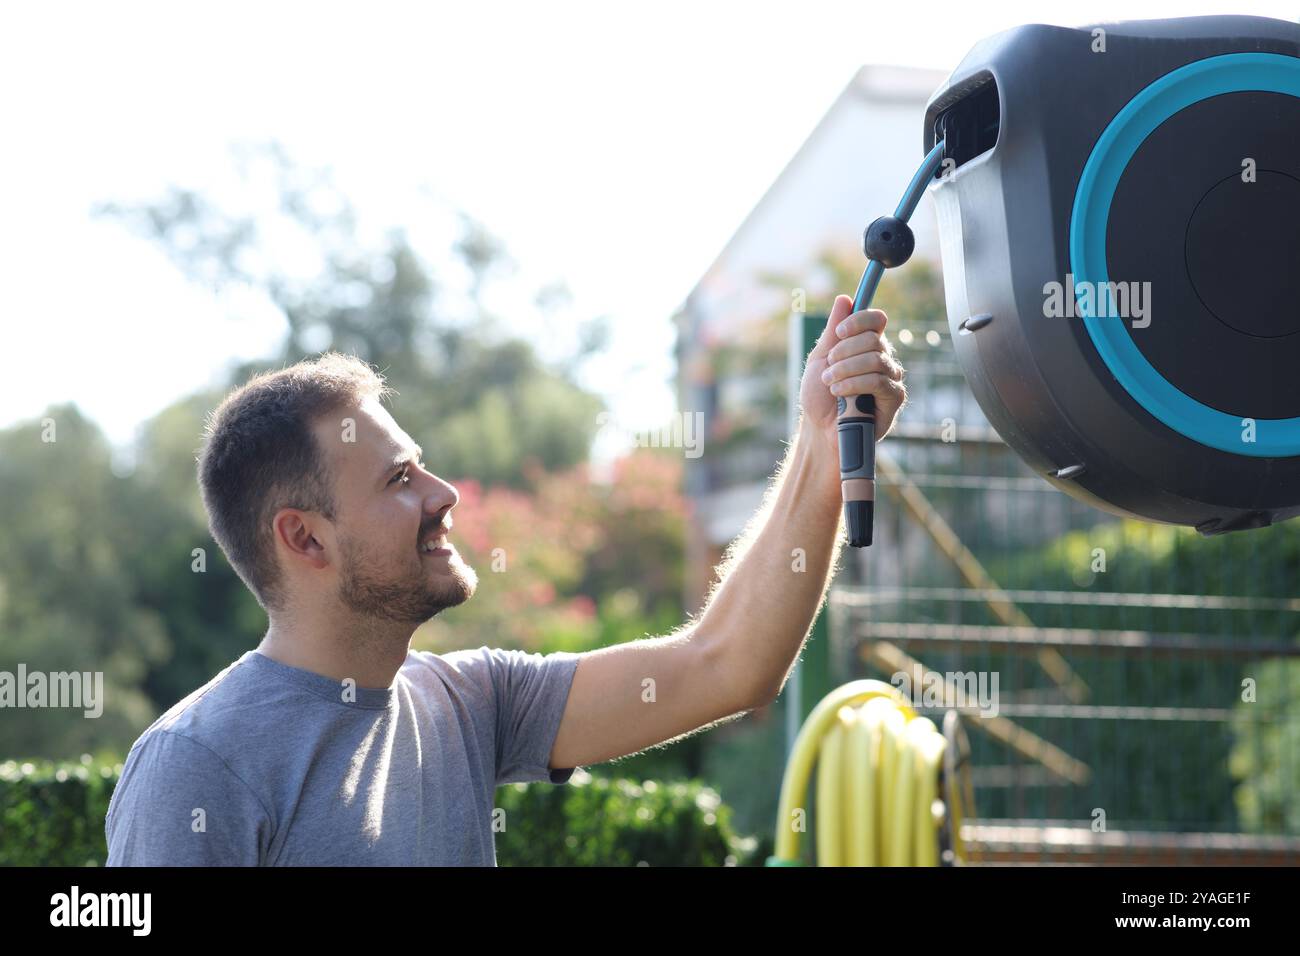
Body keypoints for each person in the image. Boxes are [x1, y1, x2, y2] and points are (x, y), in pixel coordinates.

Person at [105, 294, 906, 865]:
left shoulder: (469, 705)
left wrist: (822, 450)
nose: (444, 495)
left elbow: (725, 666)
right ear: (305, 538)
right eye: (399, 480)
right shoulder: (196, 766)